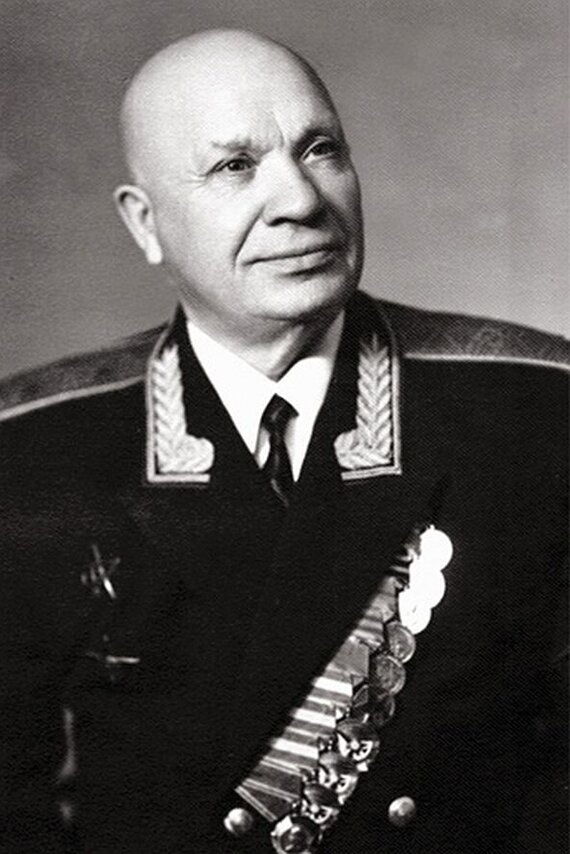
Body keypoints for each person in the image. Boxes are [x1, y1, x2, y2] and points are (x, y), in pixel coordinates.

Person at [0, 29, 567, 854]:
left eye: (320, 150)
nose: (300, 200)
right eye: (235, 166)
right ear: (144, 223)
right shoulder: (34, 453)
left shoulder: (535, 410)